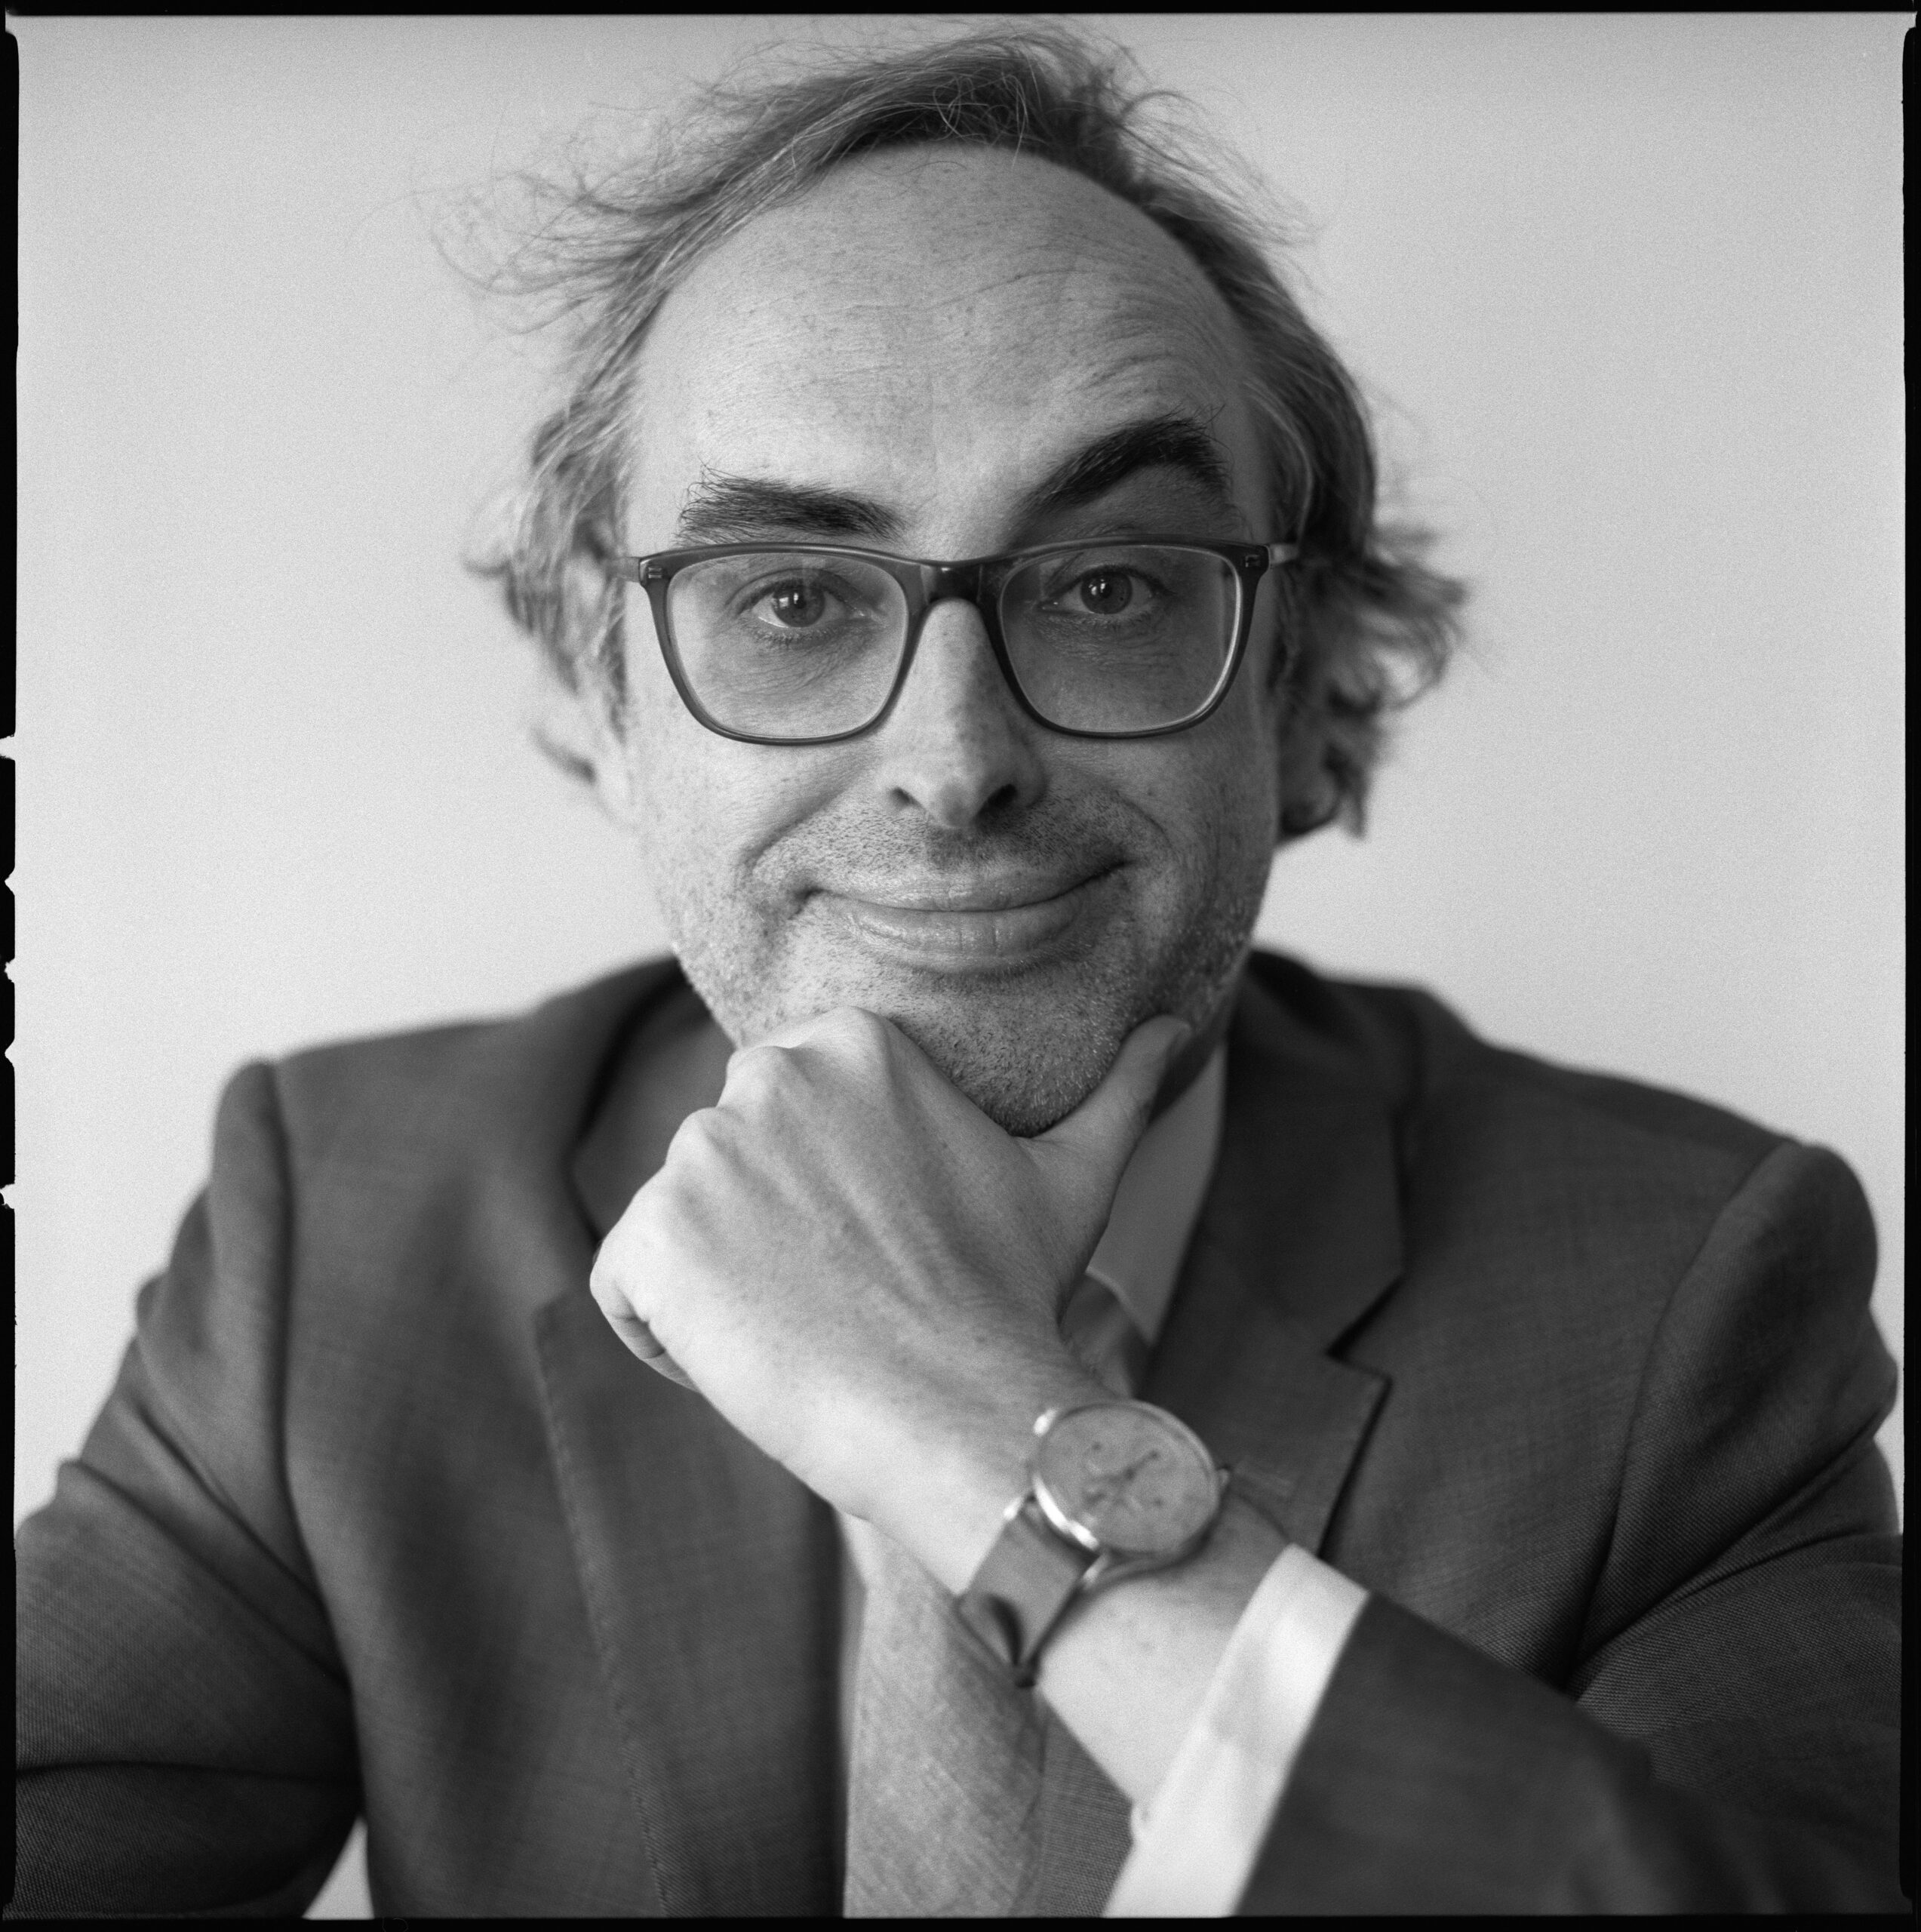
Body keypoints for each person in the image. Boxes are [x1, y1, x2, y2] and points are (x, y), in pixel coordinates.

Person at [12, 26, 1902, 1918]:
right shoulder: (333, 1224)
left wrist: (979, 1429)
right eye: (789, 597)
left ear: (1306, 690)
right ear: (599, 696)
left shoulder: (1684, 1298)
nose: (954, 758)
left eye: (1107, 583)